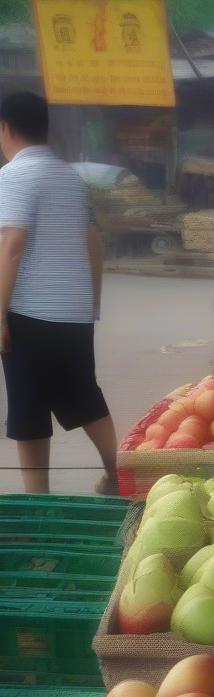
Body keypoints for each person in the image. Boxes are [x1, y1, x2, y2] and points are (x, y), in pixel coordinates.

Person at [0, 92, 116, 495]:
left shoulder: (13, 175)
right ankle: (117, 474)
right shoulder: (72, 178)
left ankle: (38, 502)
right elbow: (94, 242)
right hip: (74, 311)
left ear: (6, 128)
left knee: (28, 412)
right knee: (85, 397)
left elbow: (12, 245)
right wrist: (92, 302)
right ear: (45, 128)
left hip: (28, 313)